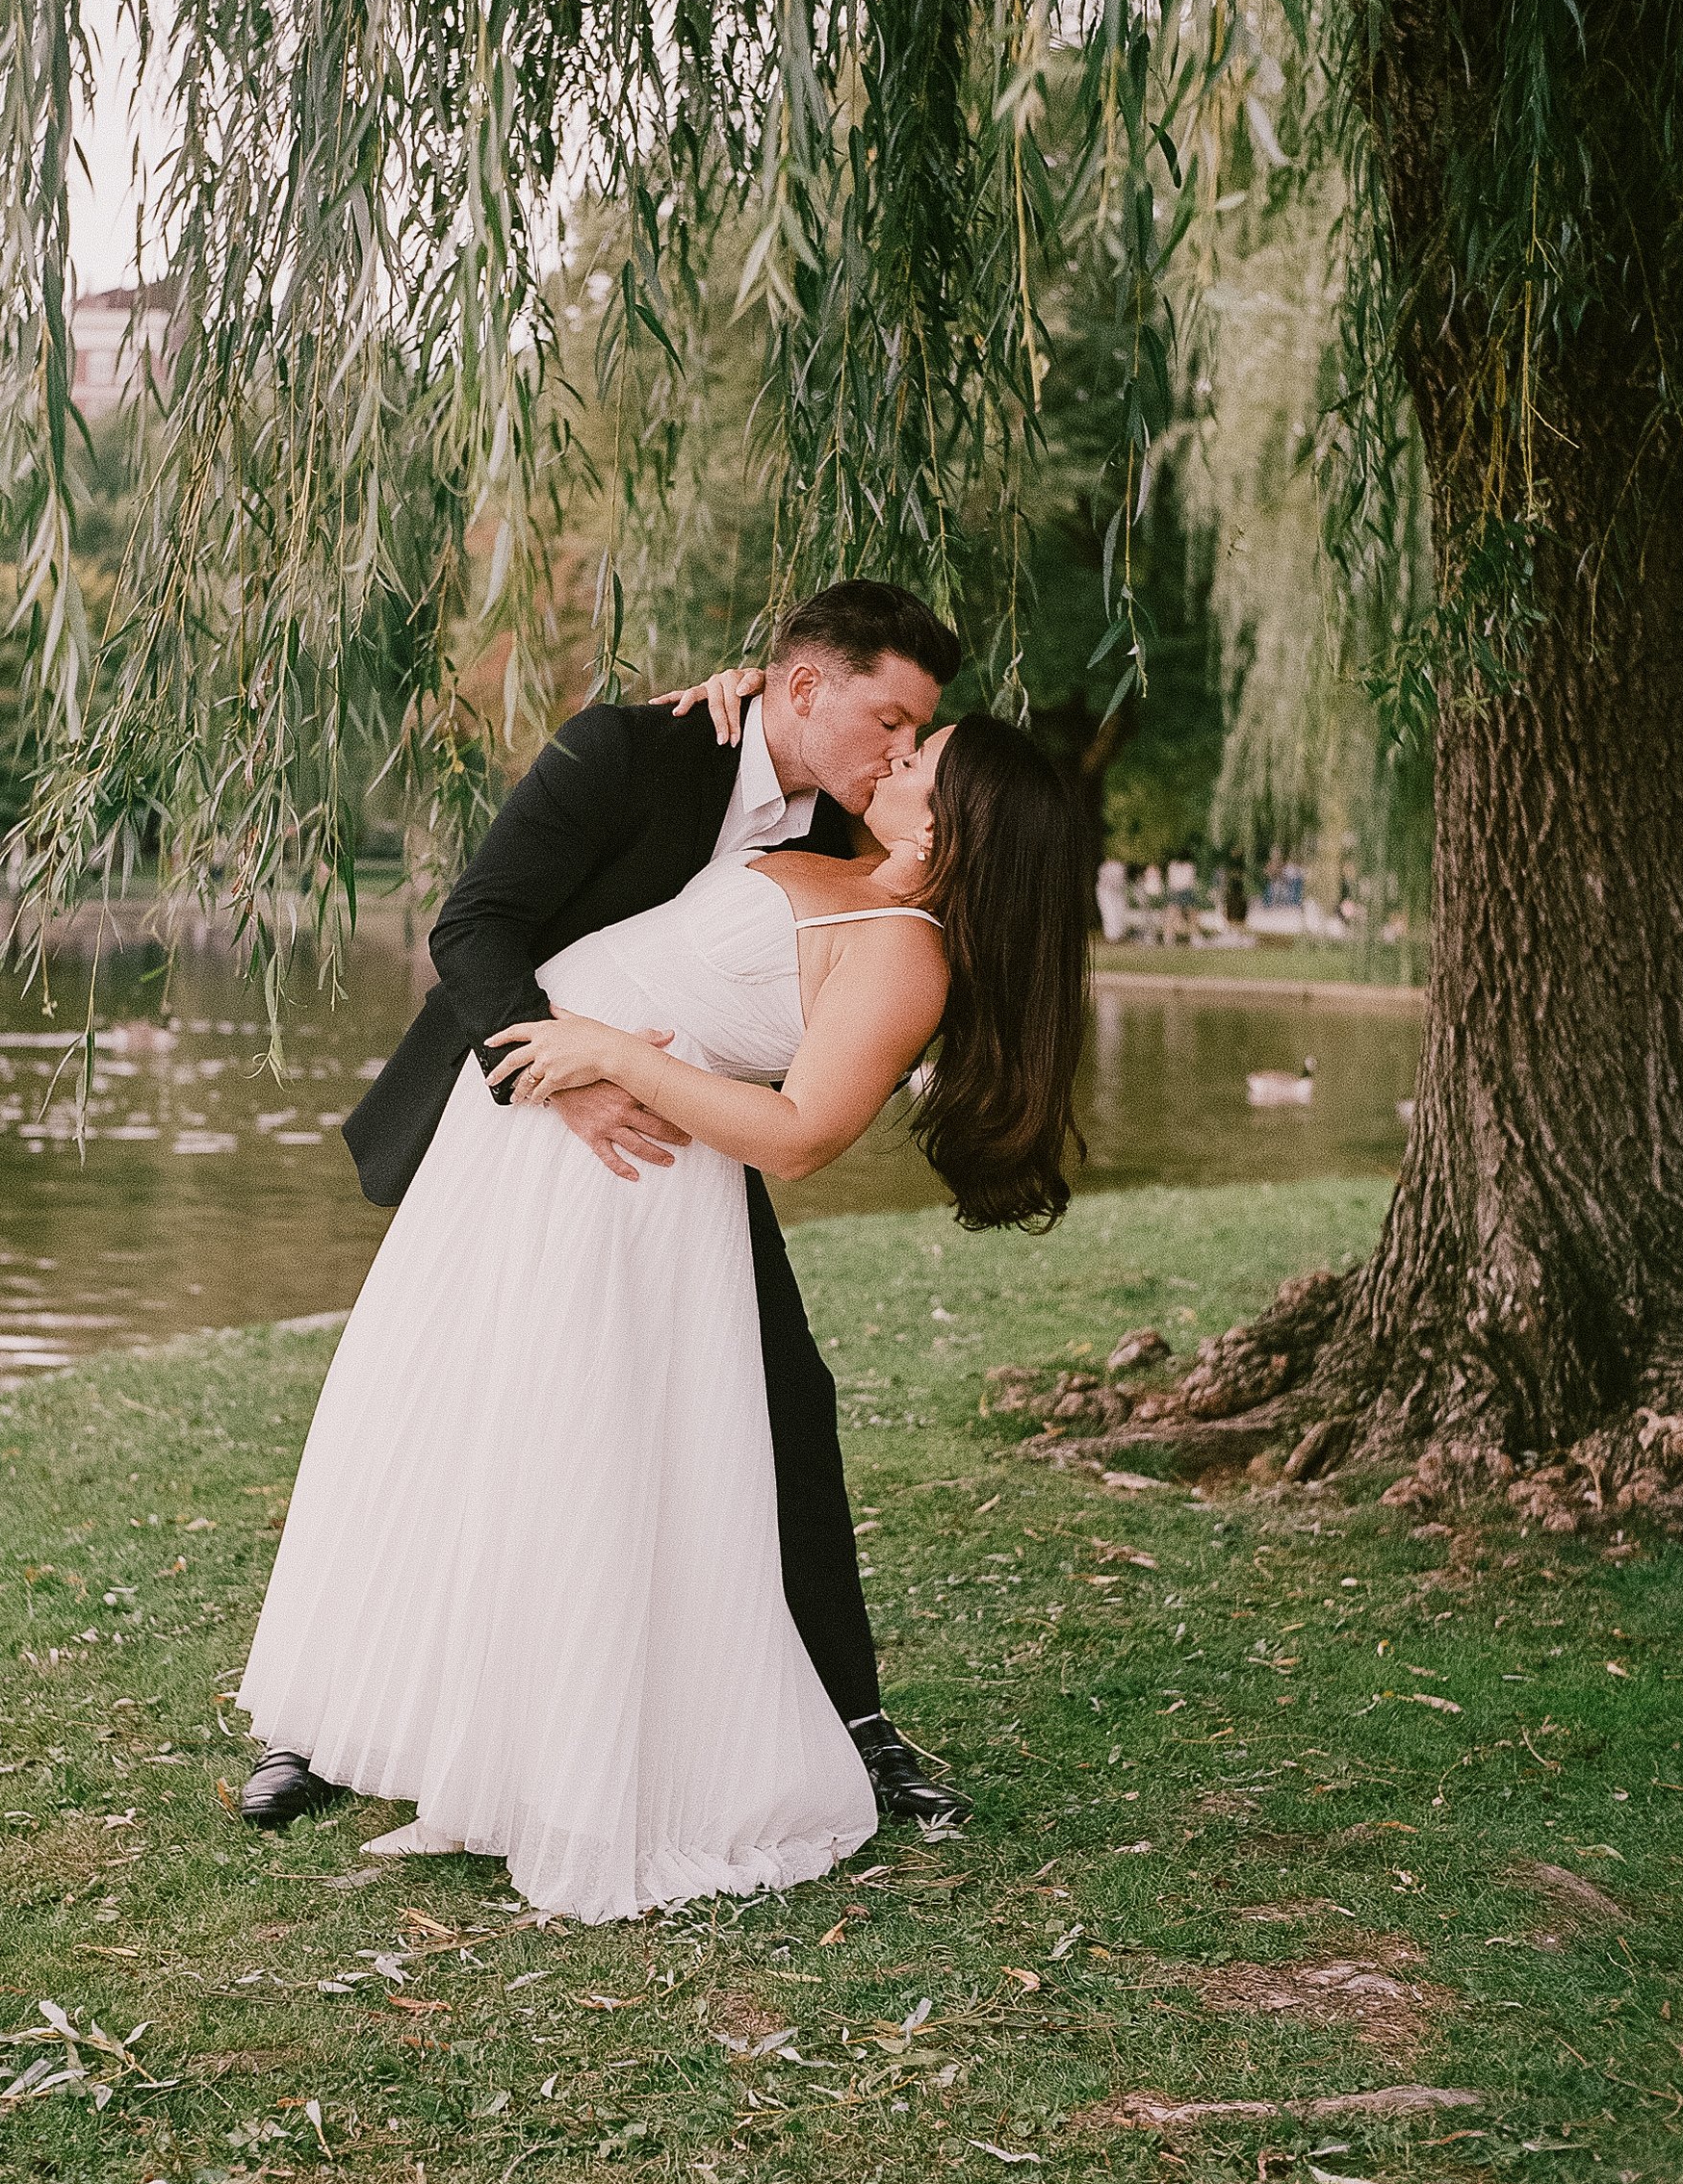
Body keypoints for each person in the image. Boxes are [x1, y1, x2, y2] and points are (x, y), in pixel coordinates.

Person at [229, 697, 1092, 1921]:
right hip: (517, 1148)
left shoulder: (906, 952)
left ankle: (574, 1764)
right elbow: (746, 760)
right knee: (452, 1425)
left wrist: (618, 1057)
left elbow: (798, 1137)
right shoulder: (818, 852)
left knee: (574, 1456)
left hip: (627, 1181)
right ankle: (426, 1727)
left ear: (957, 822)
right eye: (899, 731)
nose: (896, 755)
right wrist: (749, 682)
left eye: (920, 756)